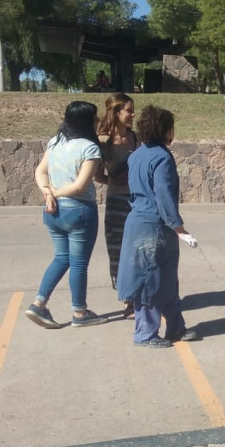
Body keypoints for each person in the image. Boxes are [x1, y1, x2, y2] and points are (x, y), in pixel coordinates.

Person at [116, 106, 199, 348]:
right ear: (165, 129)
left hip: (139, 221)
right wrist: (179, 228)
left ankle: (176, 328)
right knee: (151, 282)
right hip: (154, 226)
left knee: (166, 279)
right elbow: (163, 195)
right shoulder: (162, 157)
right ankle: (145, 334)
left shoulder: (136, 155)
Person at [25, 101, 108, 329]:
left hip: (53, 211)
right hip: (79, 211)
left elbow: (40, 171)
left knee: (61, 258)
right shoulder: (90, 148)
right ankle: (79, 312)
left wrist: (48, 193)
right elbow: (81, 186)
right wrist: (57, 193)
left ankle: (38, 303)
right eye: (95, 117)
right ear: (86, 121)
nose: (98, 121)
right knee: (79, 264)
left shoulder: (56, 142)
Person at [95, 93, 137, 318]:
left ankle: (137, 295)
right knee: (118, 252)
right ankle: (126, 299)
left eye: (132, 110)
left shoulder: (136, 138)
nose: (132, 115)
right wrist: (112, 180)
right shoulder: (103, 142)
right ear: (117, 112)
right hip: (115, 203)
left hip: (137, 202)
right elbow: (96, 174)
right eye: (129, 110)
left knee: (137, 251)